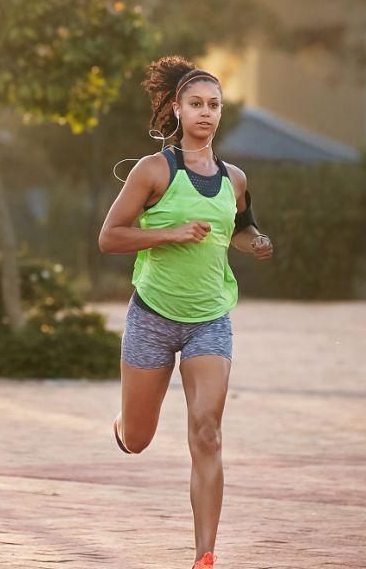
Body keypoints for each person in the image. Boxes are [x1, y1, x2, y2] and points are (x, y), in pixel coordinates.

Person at [97, 55, 274, 569]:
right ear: (176, 107)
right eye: (195, 103)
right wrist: (168, 233)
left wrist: (256, 241)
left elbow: (239, 228)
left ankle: (204, 555)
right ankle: (124, 425)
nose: (205, 113)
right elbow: (109, 237)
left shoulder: (234, 179)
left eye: (214, 105)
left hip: (209, 319)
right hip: (151, 315)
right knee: (139, 438)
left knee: (207, 430)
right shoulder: (154, 171)